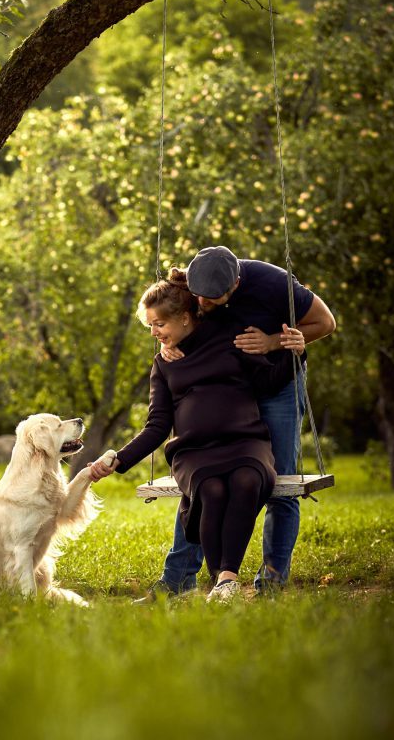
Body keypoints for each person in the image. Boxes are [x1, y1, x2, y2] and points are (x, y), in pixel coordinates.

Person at [128, 246, 336, 601]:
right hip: (227, 375)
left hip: (276, 378)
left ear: (236, 285)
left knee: (280, 478)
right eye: (199, 298)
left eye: (213, 300)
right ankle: (180, 577)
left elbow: (326, 323)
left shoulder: (273, 283)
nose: (204, 305)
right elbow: (171, 315)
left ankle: (271, 580)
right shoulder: (194, 287)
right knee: (205, 483)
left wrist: (274, 342)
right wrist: (172, 347)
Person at [89, 267, 306, 603]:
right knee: (211, 489)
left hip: (245, 440)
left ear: (185, 317)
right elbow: (157, 425)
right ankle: (214, 581)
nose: (154, 333)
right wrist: (119, 459)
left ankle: (226, 581)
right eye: (150, 327)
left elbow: (267, 382)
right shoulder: (164, 363)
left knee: (248, 480)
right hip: (194, 451)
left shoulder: (228, 337)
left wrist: (295, 351)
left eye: (158, 324)